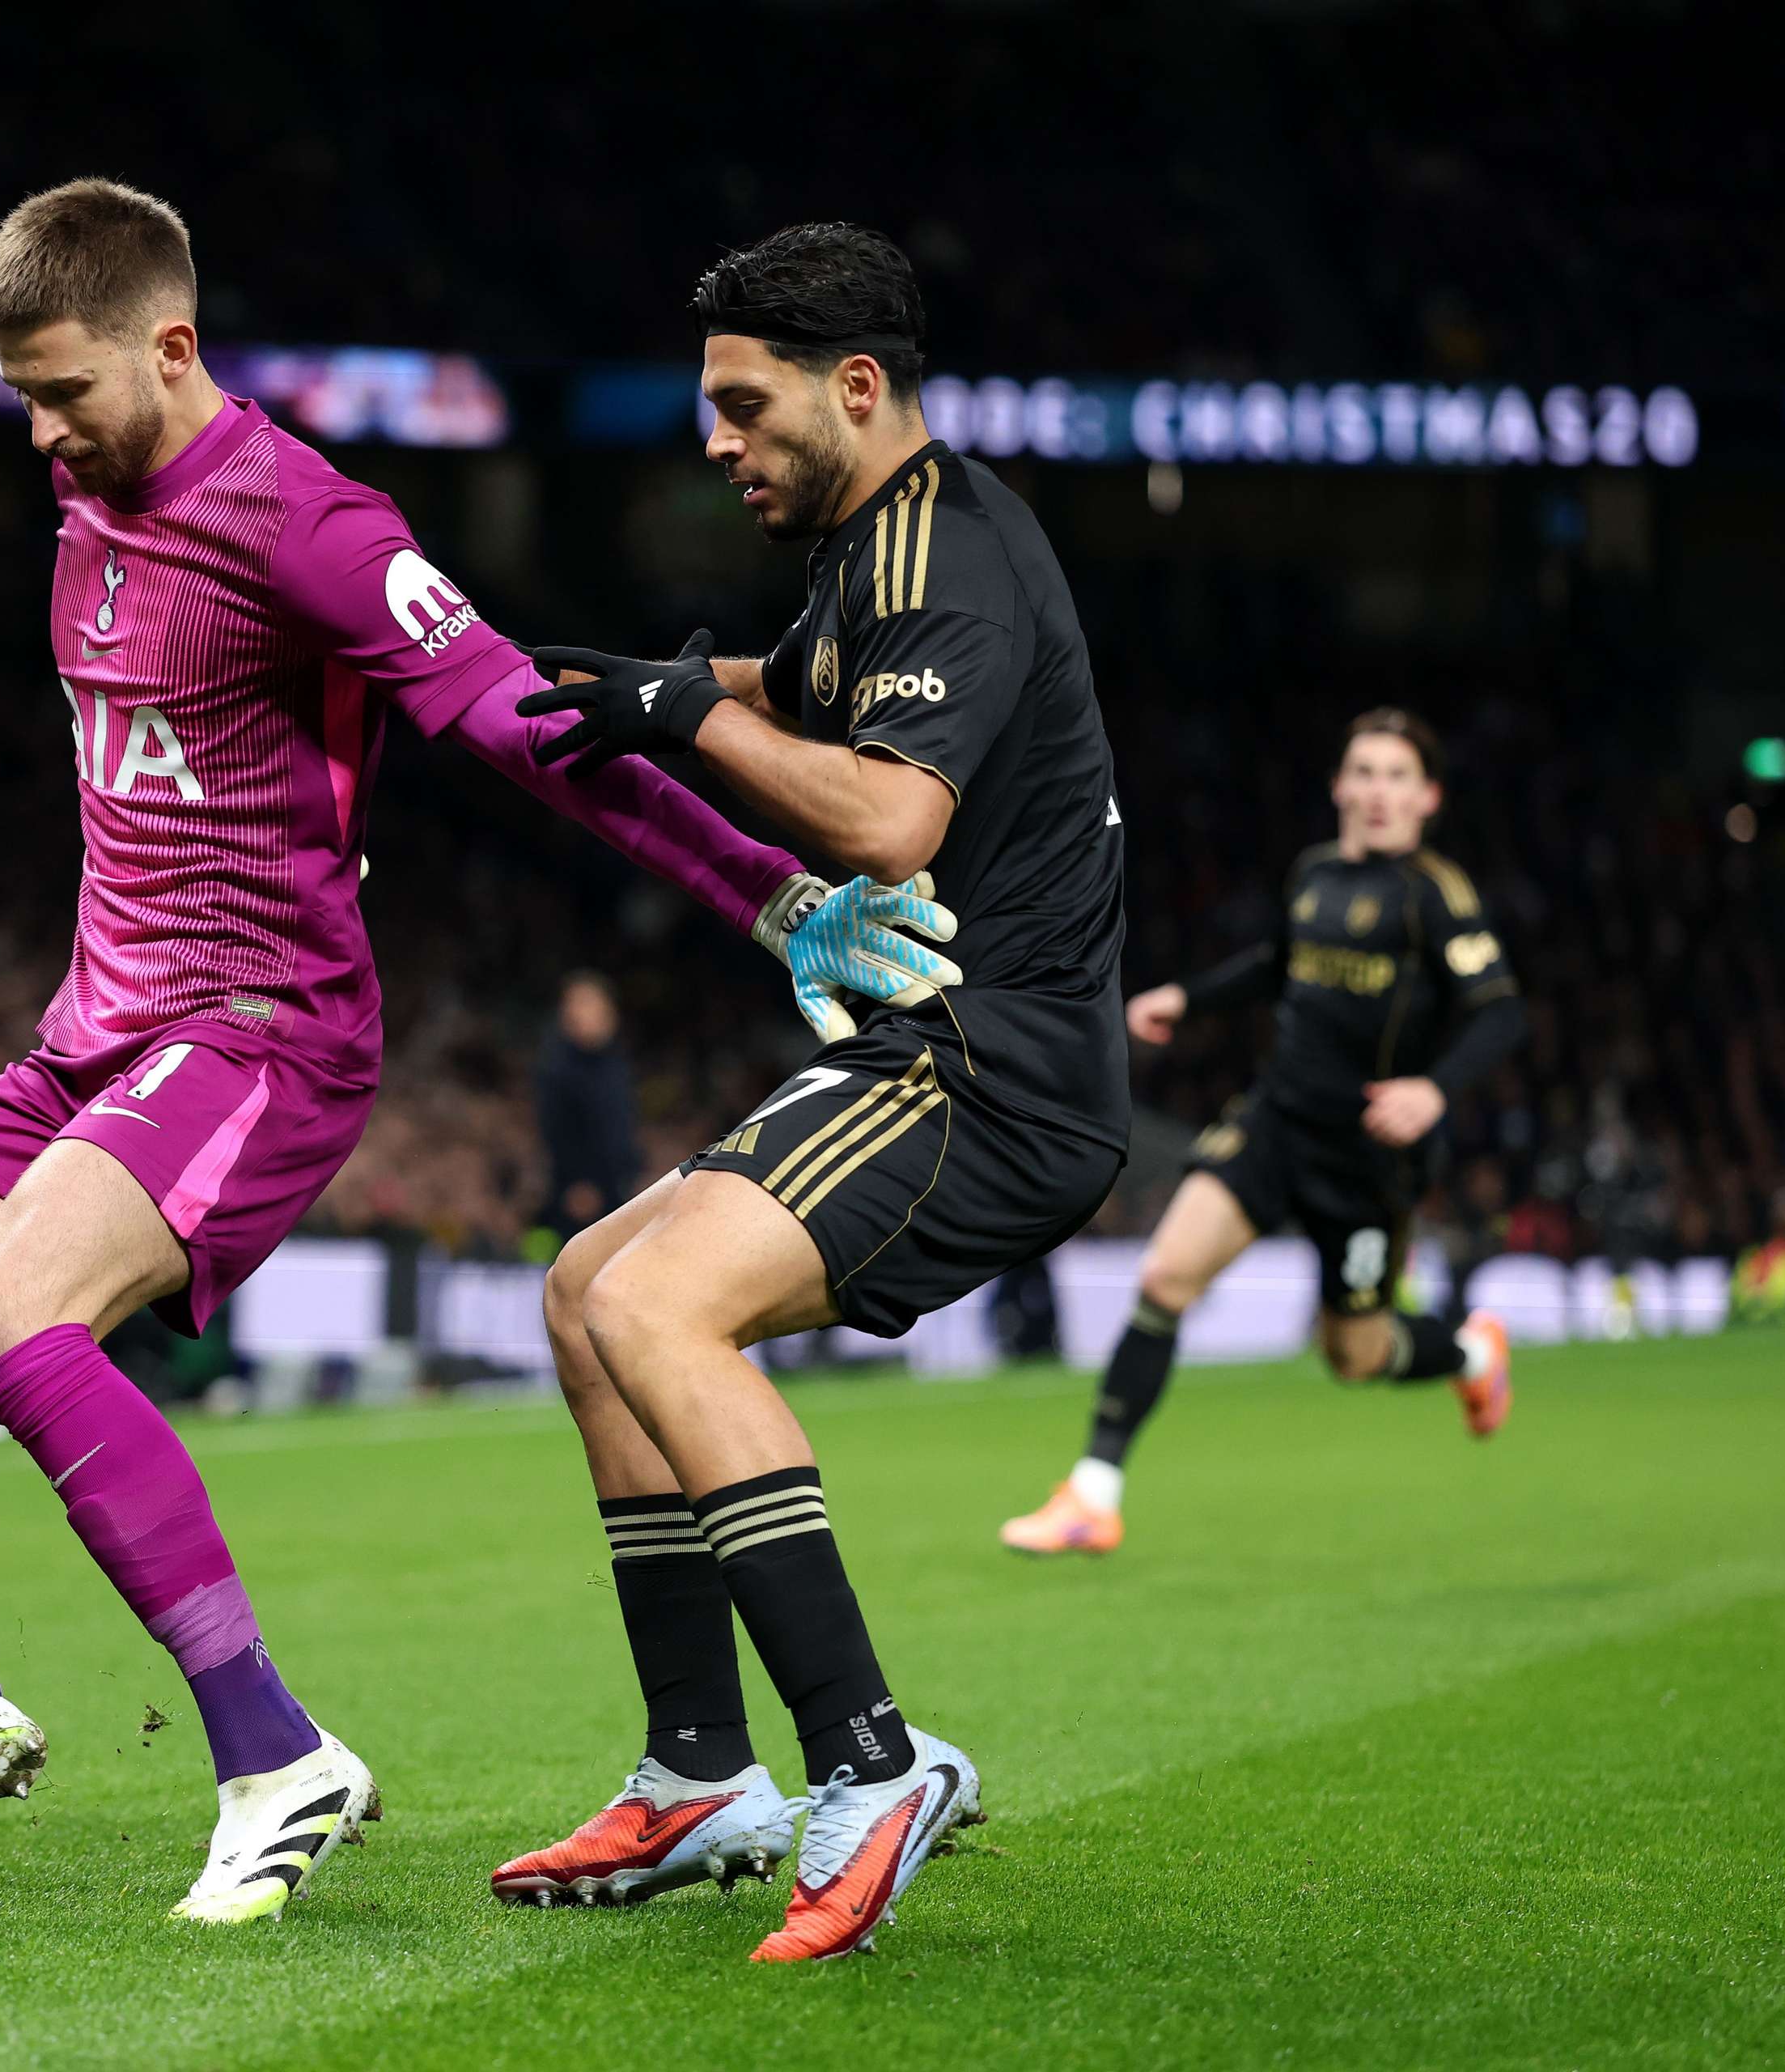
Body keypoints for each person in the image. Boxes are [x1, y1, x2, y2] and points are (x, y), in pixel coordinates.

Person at [0, 179, 878, 1926]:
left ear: (173, 346)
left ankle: (276, 1755)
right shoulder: (86, 502)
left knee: (6, 1310)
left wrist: (766, 894)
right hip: (96, 1031)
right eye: (18, 399)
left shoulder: (313, 525)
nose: (40, 436)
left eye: (65, 394)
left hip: (264, 1024)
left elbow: (525, 727)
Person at [490, 223, 1127, 1961]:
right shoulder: (873, 547)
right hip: (937, 1049)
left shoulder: (948, 554)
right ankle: (702, 1764)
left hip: (990, 1068)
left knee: (660, 1304)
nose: (716, 440)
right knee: (583, 1296)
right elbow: (815, 694)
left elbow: (887, 818)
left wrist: (693, 711)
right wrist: (650, 689)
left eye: (742, 405)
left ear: (858, 387)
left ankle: (869, 1756)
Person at [1001, 711, 1522, 1556]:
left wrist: (1433, 1088)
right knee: (1167, 1273)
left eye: (1398, 776)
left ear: (1428, 798)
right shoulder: (1313, 875)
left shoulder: (1435, 895)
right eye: (1365, 772)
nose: (1379, 791)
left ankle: (1469, 1356)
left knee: (1354, 1354)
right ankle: (1093, 1495)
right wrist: (1191, 998)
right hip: (1276, 1122)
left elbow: (1501, 1009)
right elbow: (1278, 964)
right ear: (1340, 787)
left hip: (1366, 1160)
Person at [533, 972, 640, 1238]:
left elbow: (621, 1130)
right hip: (577, 1192)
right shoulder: (557, 1068)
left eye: (588, 1004)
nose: (580, 1013)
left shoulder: (616, 1065)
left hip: (617, 1188)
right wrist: (579, 1182)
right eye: (574, 1004)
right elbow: (557, 1131)